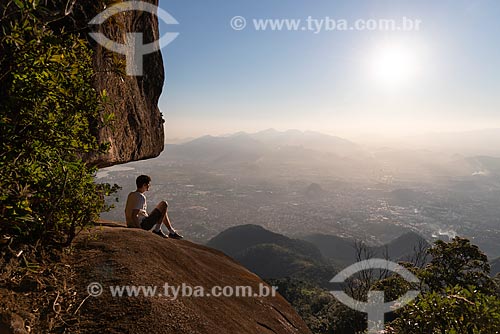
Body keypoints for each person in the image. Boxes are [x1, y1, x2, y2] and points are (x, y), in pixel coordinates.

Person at [125, 175, 183, 239]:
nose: (149, 186)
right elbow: (134, 214)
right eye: (148, 184)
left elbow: (128, 211)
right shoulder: (141, 197)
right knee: (164, 204)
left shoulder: (131, 194)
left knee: (162, 210)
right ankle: (157, 230)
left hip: (131, 223)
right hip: (142, 224)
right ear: (144, 185)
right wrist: (140, 230)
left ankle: (171, 232)